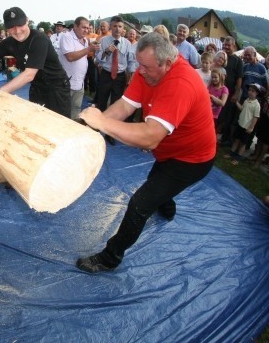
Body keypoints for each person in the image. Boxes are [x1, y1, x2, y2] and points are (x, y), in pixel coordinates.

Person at [76, 32, 216, 273]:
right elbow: (124, 106)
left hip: (192, 160)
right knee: (158, 182)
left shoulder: (181, 82)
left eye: (146, 67)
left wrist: (102, 123)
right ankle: (167, 206)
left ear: (168, 63)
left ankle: (110, 257)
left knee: (140, 203)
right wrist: (91, 127)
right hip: (169, 152)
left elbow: (150, 137)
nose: (140, 71)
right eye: (139, 64)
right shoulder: (149, 71)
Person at [95, 15, 137, 144]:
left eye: (120, 27)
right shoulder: (103, 41)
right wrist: (106, 52)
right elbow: (98, 59)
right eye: (114, 26)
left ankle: (110, 133)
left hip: (119, 77)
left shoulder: (127, 43)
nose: (117, 29)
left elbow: (130, 62)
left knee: (115, 105)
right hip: (106, 74)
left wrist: (130, 76)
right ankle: (96, 130)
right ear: (110, 27)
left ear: (123, 29)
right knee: (101, 102)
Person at [58, 16, 100, 120]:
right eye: (83, 27)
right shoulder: (66, 37)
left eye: (87, 28)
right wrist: (88, 49)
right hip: (67, 83)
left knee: (76, 110)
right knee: (63, 112)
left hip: (79, 83)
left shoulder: (85, 40)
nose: (86, 30)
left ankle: (73, 132)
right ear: (75, 26)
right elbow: (70, 57)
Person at [225, 83, 262, 164]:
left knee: (243, 143)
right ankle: (231, 153)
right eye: (249, 90)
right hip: (240, 124)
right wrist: (236, 102)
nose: (250, 92)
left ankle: (237, 158)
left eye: (253, 91)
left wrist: (251, 127)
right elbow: (242, 108)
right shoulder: (246, 100)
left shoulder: (257, 105)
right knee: (236, 140)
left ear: (257, 93)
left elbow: (256, 117)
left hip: (247, 127)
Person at [218, 36, 244, 144]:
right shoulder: (221, 56)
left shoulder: (238, 61)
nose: (226, 47)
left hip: (230, 92)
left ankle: (223, 138)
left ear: (234, 46)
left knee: (226, 116)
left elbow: (239, 78)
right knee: (217, 114)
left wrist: (236, 93)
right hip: (217, 90)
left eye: (228, 45)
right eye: (224, 44)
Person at [208, 68, 229, 138]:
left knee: (212, 133)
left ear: (220, 77)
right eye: (212, 77)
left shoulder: (224, 89)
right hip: (207, 113)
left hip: (215, 116)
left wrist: (212, 97)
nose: (213, 79)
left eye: (215, 77)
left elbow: (223, 103)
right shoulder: (210, 87)